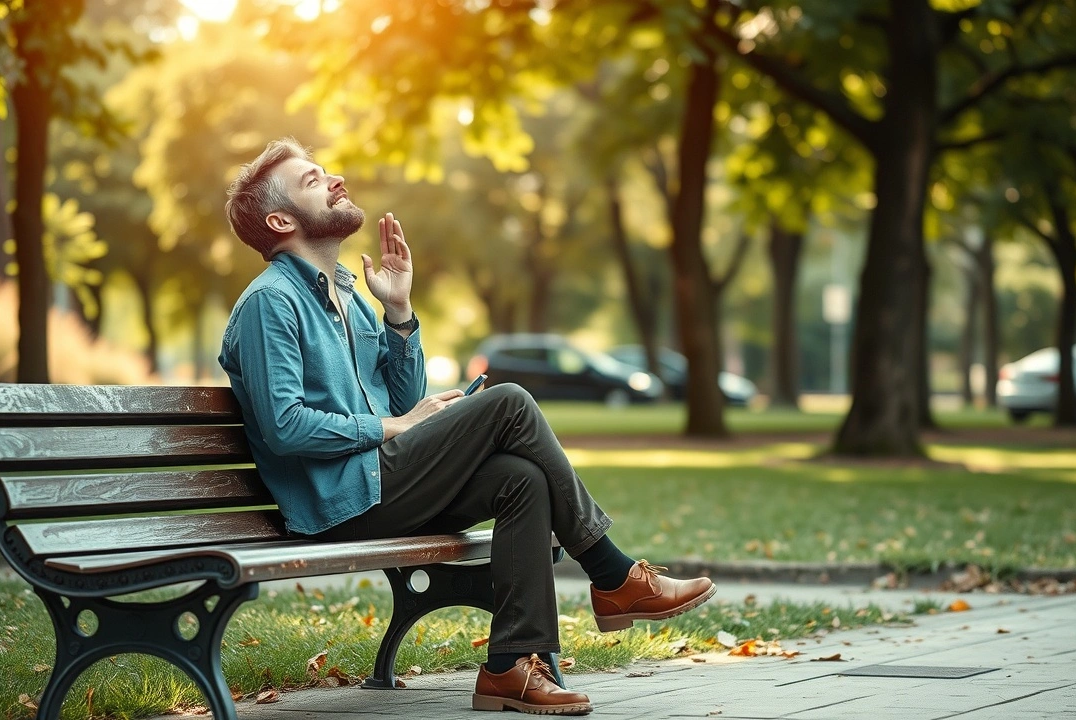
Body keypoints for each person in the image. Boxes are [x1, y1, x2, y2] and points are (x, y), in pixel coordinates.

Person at [218, 138, 716, 716]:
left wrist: (400, 313)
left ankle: (510, 668)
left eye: (325, 171)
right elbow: (285, 427)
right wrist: (392, 428)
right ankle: (611, 573)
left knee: (520, 478)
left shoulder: (350, 298)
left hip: (381, 485)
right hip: (338, 502)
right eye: (312, 180)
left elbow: (402, 399)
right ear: (280, 220)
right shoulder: (269, 304)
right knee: (508, 401)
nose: (333, 179)